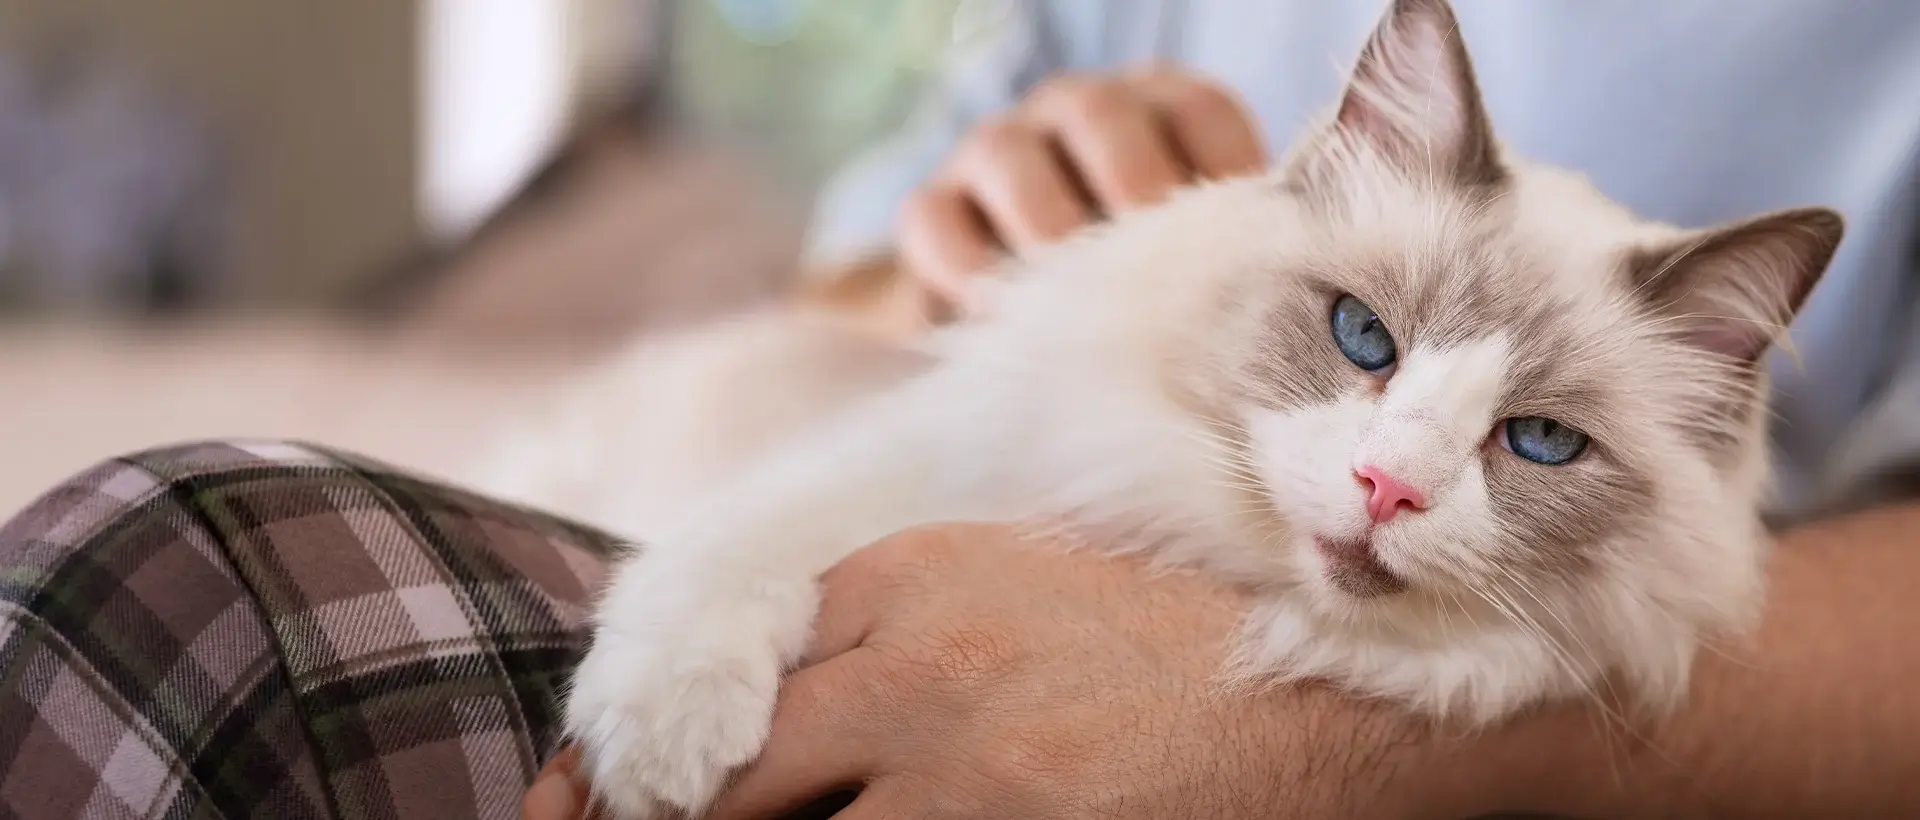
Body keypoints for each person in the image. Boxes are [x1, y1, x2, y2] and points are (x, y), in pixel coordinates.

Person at [5, 3, 1920, 818]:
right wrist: (969, 235)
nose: (1404, 471)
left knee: (190, 592)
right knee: (158, 574)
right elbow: (846, 303)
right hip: (847, 493)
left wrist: (1361, 747)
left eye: (1536, 441)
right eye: (1363, 345)